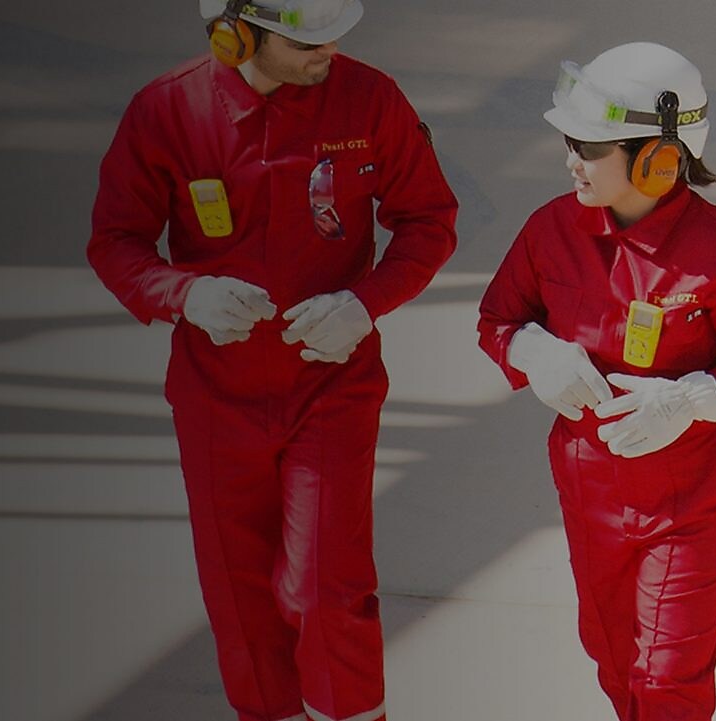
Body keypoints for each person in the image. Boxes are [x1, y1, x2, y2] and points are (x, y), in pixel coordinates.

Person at [86, 1, 458, 719]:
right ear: (236, 35)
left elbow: (428, 220)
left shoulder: (369, 99)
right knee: (238, 589)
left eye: (335, 32)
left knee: (326, 583)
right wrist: (185, 294)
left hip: (331, 384)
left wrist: (365, 303)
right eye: (306, 40)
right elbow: (116, 241)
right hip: (215, 393)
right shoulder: (167, 112)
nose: (329, 50)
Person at [478, 42, 716, 720]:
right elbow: (499, 319)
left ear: (658, 158)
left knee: (665, 680)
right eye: (570, 143)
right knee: (613, 658)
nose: (572, 161)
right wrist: (532, 352)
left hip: (692, 502)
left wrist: (689, 399)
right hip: (590, 489)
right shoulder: (551, 229)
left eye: (590, 148)